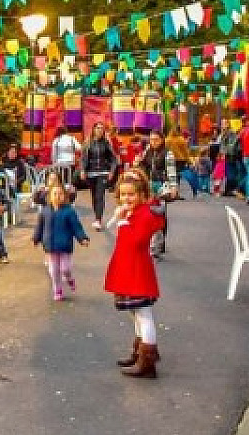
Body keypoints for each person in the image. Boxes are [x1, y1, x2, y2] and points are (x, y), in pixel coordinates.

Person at [104, 169, 164, 378]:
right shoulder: (134, 212)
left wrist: (122, 222)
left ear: (140, 194)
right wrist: (121, 218)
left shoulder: (145, 214)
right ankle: (140, 353)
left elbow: (136, 241)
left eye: (131, 194)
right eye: (123, 194)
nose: (126, 198)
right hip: (130, 269)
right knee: (136, 314)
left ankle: (147, 361)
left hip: (137, 270)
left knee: (144, 314)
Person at [31, 183, 89, 301]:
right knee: (53, 271)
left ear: (65, 196)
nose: (58, 196)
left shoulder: (69, 212)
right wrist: (36, 238)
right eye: (55, 194)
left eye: (61, 194)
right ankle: (57, 290)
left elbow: (76, 227)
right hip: (50, 246)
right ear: (49, 196)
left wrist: (82, 238)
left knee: (65, 269)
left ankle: (69, 279)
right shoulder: (44, 211)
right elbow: (39, 227)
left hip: (65, 245)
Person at [79, 121, 118, 231]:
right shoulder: (87, 143)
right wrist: (82, 170)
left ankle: (98, 220)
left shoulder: (106, 143)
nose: (100, 130)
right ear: (93, 130)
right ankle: (97, 217)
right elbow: (82, 159)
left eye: (101, 128)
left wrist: (111, 171)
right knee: (94, 196)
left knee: (100, 196)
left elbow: (113, 159)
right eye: (97, 128)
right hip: (91, 173)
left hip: (103, 173)